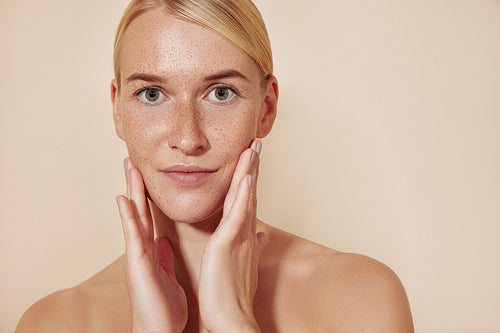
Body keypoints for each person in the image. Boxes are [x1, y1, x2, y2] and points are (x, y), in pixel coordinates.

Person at [16, 0, 414, 331]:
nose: (188, 139)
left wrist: (234, 321)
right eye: (152, 94)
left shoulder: (361, 298)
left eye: (220, 93)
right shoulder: (52, 323)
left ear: (266, 109)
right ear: (117, 109)